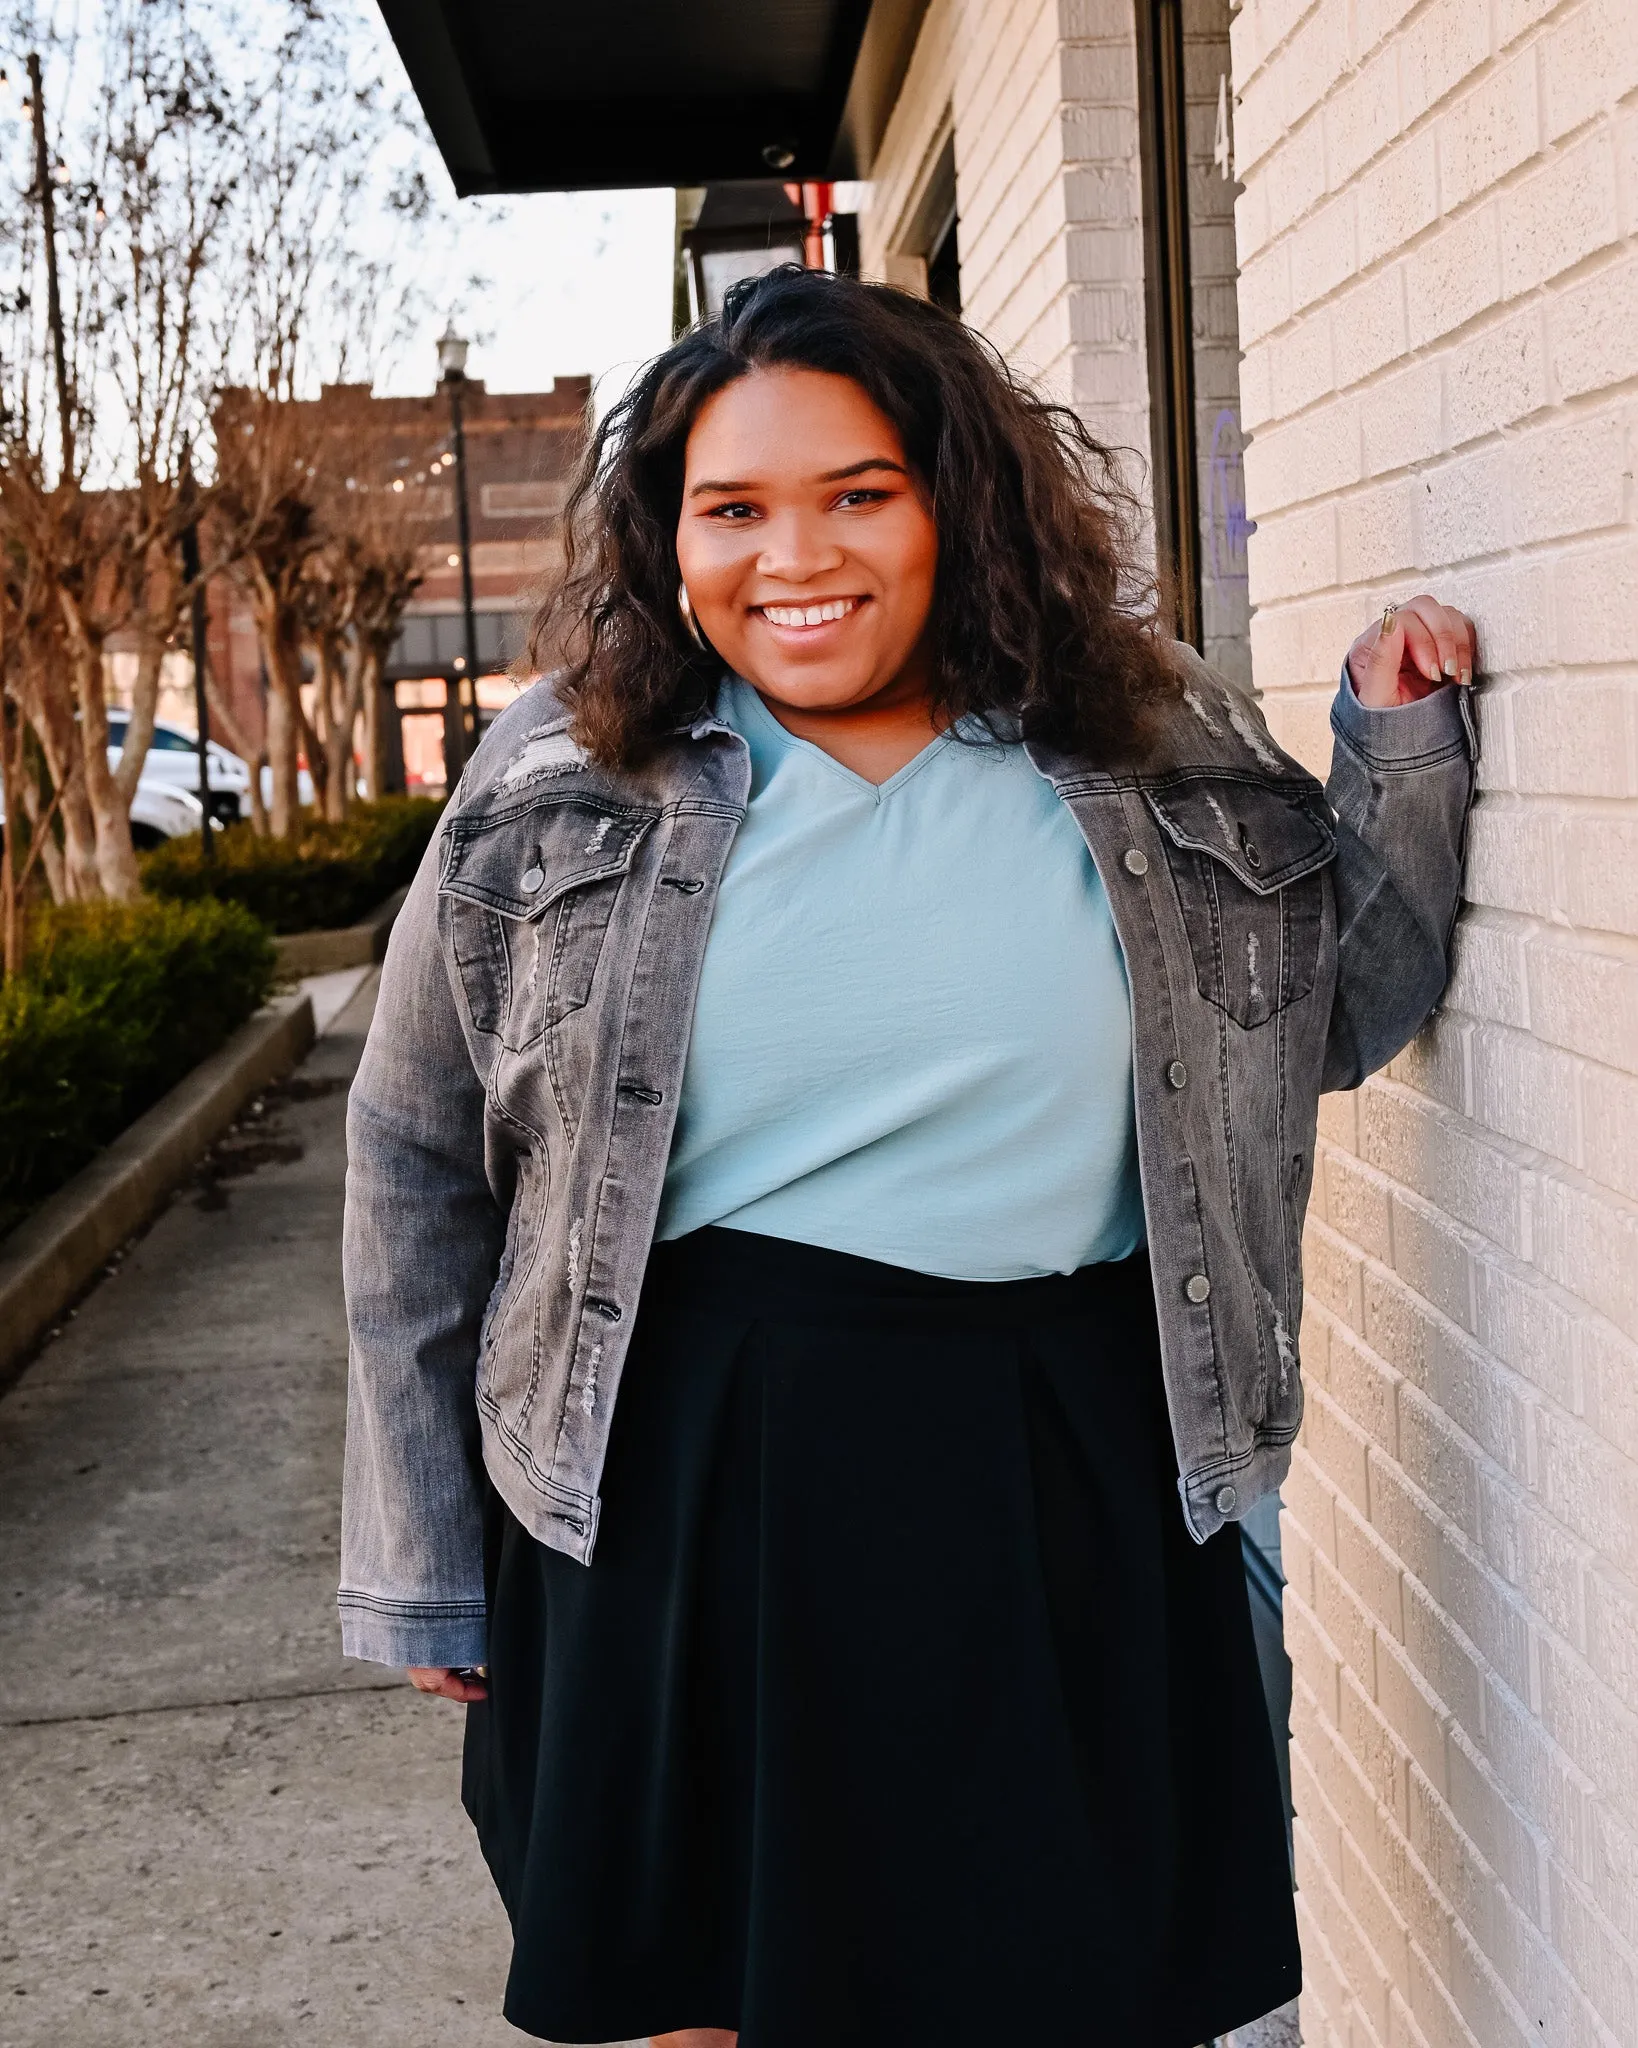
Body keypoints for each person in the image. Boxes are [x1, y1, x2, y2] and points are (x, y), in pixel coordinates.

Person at [339, 267, 1476, 2048]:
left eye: (858, 493)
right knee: (709, 2000)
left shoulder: (1137, 733)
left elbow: (1335, 1007)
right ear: (670, 536)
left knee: (1065, 1989)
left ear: (958, 499)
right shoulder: (563, 768)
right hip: (678, 1465)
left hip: (1065, 1455)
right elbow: (415, 1156)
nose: (794, 556)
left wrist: (1393, 749)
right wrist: (421, 1540)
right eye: (733, 510)